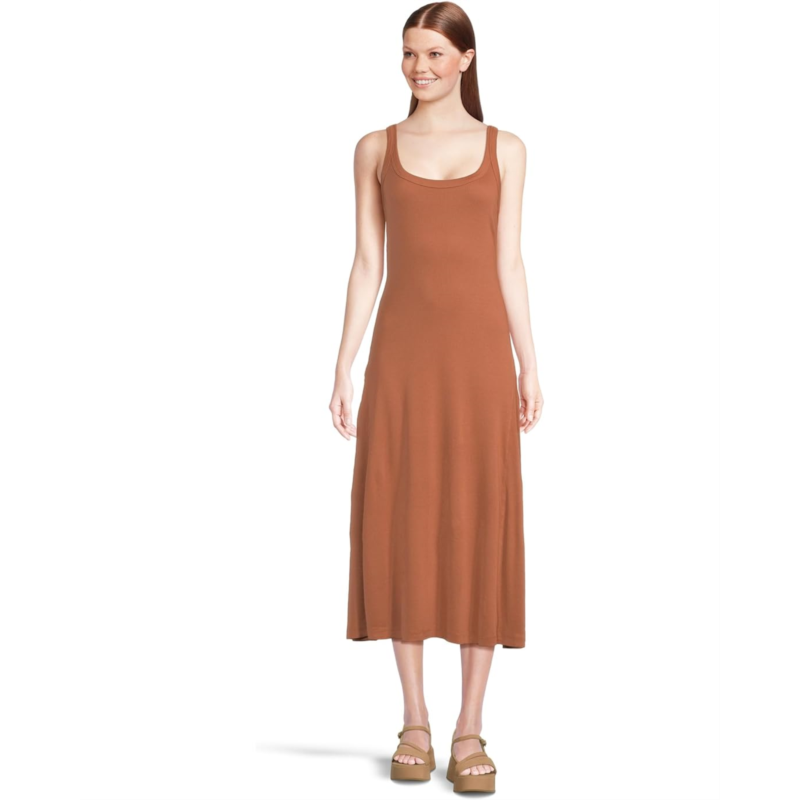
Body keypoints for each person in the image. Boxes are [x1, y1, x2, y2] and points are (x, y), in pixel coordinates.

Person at [329, 2, 543, 792]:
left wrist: (529, 364)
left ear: (466, 60)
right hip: (403, 361)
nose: (418, 67)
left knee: (480, 520)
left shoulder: (507, 148)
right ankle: (414, 718)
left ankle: (470, 726)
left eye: (433, 54)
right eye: (408, 53)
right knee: (405, 520)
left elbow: (509, 262)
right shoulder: (374, 148)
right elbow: (366, 263)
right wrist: (344, 364)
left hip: (480, 360)